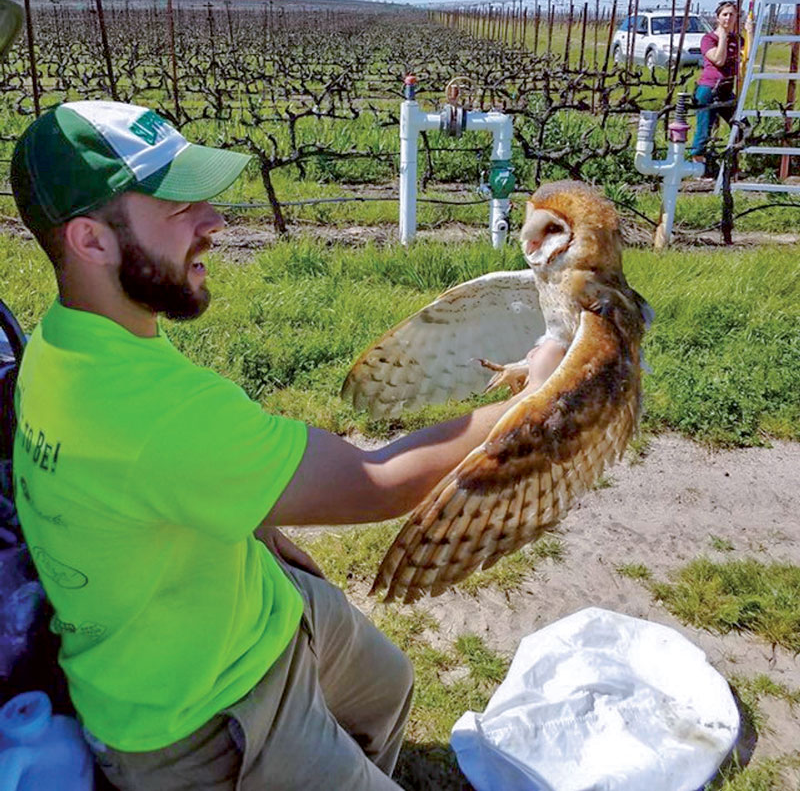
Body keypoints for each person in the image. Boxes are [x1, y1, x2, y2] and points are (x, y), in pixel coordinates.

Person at [10, 100, 564, 791]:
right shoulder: (150, 411)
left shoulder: (67, 340)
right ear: (92, 241)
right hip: (205, 715)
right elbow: (376, 479)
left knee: (386, 688)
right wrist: (532, 402)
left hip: (251, 611)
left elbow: (148, 483)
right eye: (177, 206)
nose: (213, 222)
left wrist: (259, 523)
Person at [689, 0, 752, 171]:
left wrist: (750, 33)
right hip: (709, 89)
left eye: (732, 14)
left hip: (726, 90)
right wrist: (723, 36)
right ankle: (698, 168)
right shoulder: (708, 39)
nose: (728, 18)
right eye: (725, 14)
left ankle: (732, 163)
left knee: (743, 127)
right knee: (704, 129)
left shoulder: (737, 39)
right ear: (718, 17)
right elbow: (718, 59)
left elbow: (748, 57)